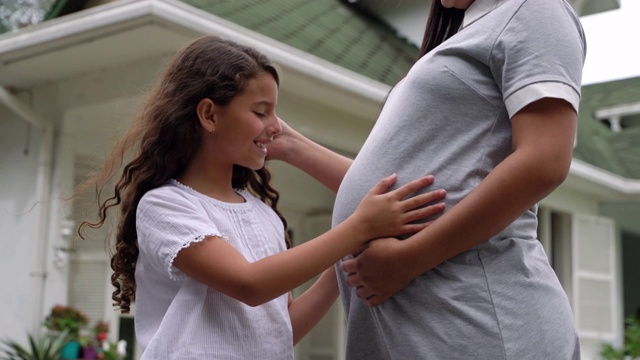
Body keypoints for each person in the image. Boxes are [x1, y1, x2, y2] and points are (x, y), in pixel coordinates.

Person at [76, 35, 446, 359]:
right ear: (208, 114)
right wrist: (357, 227)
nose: (275, 126)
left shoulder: (264, 216)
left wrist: (343, 263)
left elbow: (281, 331)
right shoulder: (166, 205)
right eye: (261, 111)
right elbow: (248, 285)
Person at [268, 0, 586, 359]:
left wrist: (410, 258)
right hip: (431, 326)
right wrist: (291, 146)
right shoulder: (466, 32)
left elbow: (545, 160)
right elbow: (400, 192)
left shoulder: (534, 8)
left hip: (479, 320)